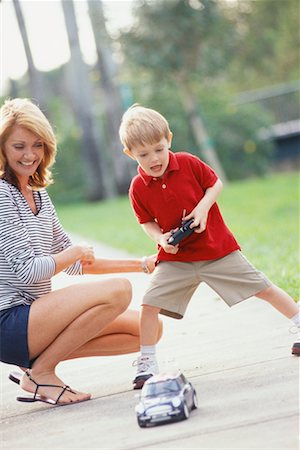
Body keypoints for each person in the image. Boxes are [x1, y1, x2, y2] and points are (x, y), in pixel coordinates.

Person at [119, 104, 300, 389]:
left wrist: (202, 210)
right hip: (176, 259)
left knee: (262, 287)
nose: (154, 158)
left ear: (169, 140)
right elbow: (145, 221)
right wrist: (160, 239)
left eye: (159, 149)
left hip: (216, 250)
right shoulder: (137, 187)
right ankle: (147, 362)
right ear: (130, 154)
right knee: (148, 303)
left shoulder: (188, 163)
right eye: (143, 154)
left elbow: (214, 184)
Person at [0, 98, 162, 406]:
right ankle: (43, 373)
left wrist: (142, 264)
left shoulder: (38, 195)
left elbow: (78, 264)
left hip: (35, 320)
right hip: (8, 322)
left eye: (37, 144)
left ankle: (36, 367)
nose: (30, 155)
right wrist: (70, 255)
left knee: (144, 331)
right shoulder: (1, 195)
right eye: (19, 146)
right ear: (2, 147)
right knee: (119, 291)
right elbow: (29, 270)